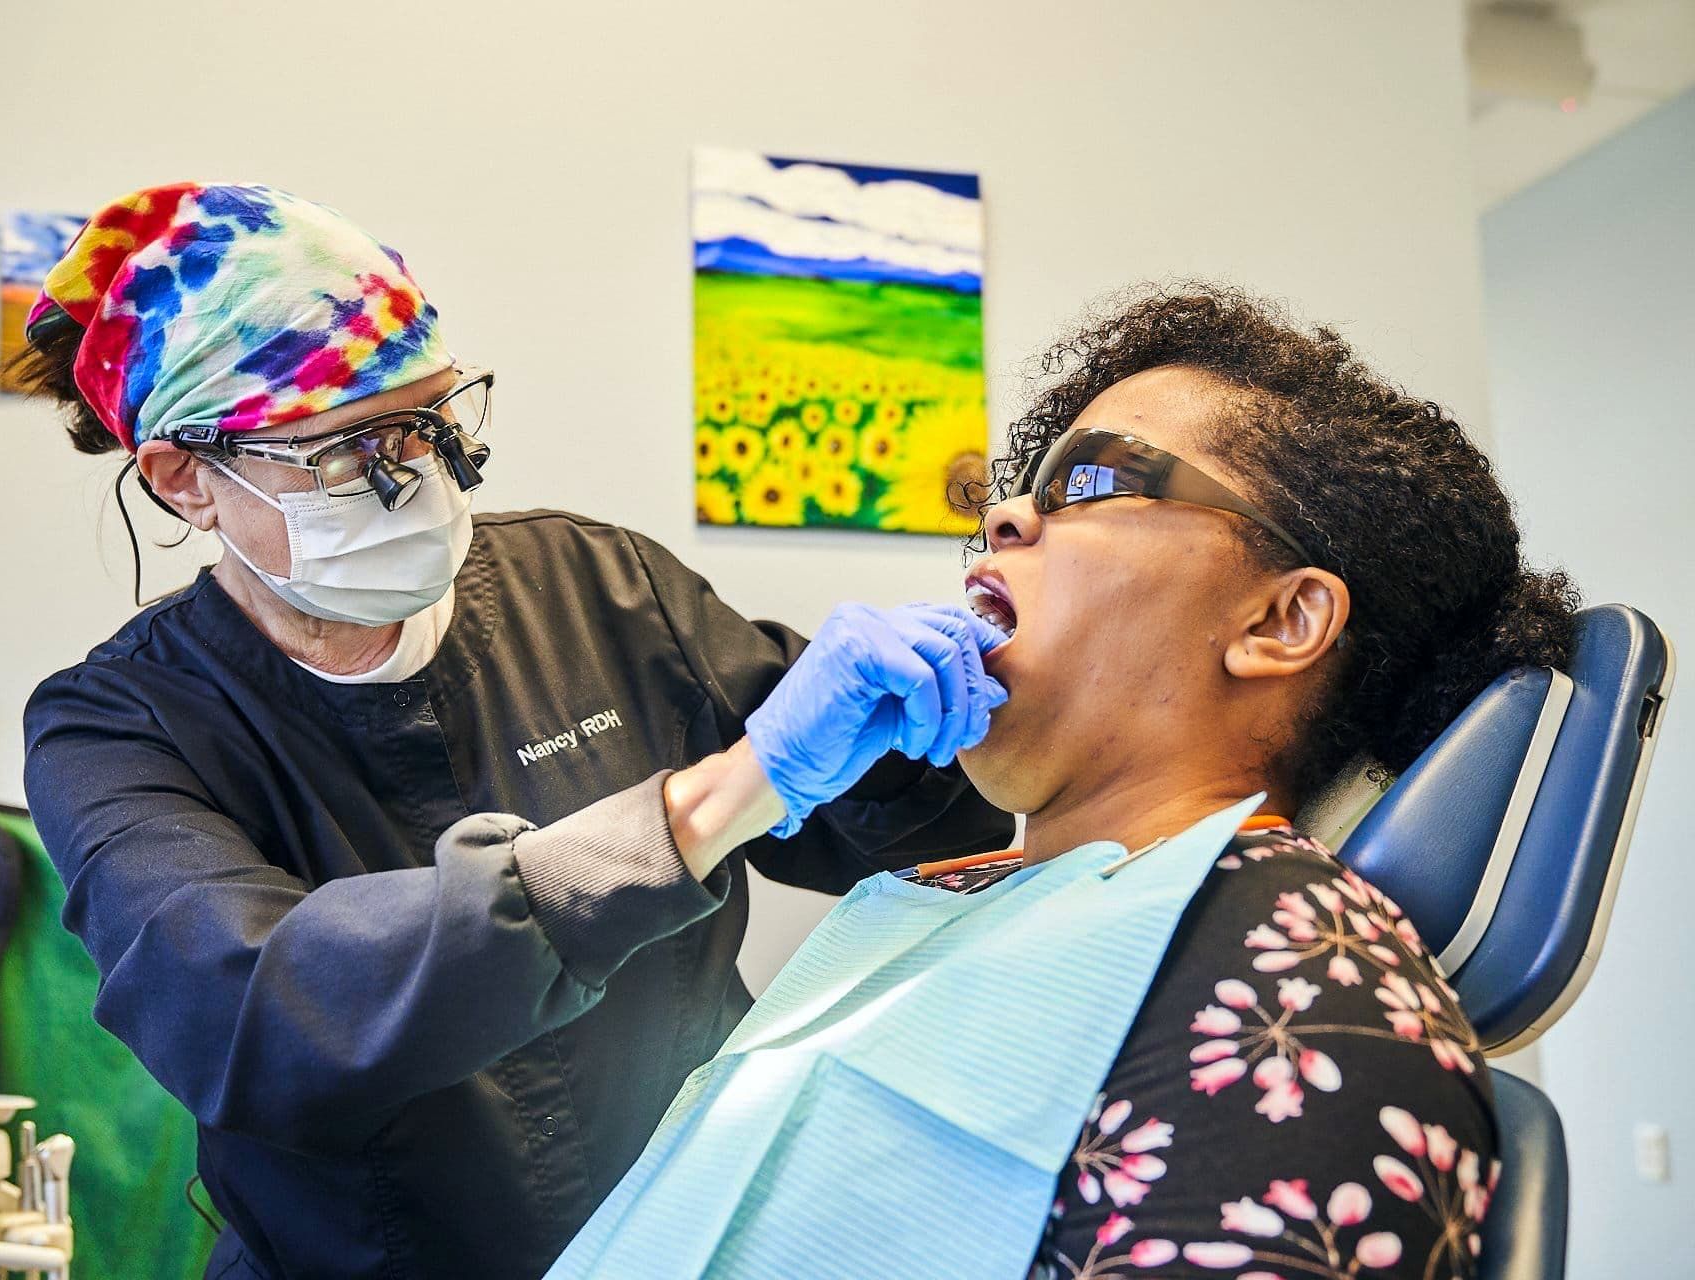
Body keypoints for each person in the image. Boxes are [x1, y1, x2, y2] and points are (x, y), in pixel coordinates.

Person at [9, 181, 1015, 1280]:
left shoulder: (598, 585)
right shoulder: (119, 725)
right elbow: (260, 1012)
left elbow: (907, 848)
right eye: (356, 450)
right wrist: (705, 807)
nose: (427, 478)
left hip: (690, 1236)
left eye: (439, 419)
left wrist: (922, 722)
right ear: (186, 479)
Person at [548, 285, 1579, 1280]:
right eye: (1020, 491)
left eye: (1092, 480)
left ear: (1280, 620)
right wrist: (737, 788)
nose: (1003, 515)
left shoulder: (1312, 1001)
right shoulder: (940, 897)